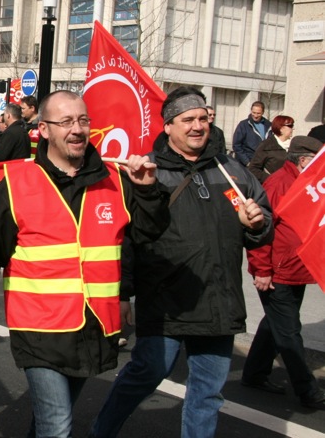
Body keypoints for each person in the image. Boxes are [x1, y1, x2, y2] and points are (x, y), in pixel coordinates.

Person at [0, 90, 169, 438]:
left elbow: (147, 233)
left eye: (83, 120)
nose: (77, 129)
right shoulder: (16, 185)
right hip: (39, 329)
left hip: (93, 326)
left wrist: (148, 190)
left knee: (50, 422)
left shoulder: (116, 180)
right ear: (44, 129)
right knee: (58, 426)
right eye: (65, 122)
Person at [91, 86, 272, 438]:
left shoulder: (233, 170)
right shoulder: (146, 172)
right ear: (168, 126)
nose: (198, 126)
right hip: (165, 303)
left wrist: (258, 223)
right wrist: (123, 293)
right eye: (188, 119)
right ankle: (102, 431)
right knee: (143, 376)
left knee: (207, 393)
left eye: (203, 118)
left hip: (220, 302)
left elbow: (262, 224)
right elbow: (126, 237)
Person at [241, 135, 325, 408]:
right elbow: (258, 231)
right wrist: (262, 270)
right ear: (304, 160)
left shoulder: (305, 183)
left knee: (276, 322)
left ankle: (254, 373)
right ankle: (308, 391)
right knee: (289, 330)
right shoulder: (279, 183)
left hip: (296, 269)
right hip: (277, 271)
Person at [248, 115, 294, 183]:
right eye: (290, 126)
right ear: (281, 128)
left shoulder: (294, 146)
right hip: (272, 186)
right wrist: (271, 179)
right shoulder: (266, 145)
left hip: (289, 186)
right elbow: (253, 168)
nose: (292, 129)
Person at [233, 100, 271, 165]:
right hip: (247, 162)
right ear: (251, 111)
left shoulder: (269, 125)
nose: (255, 115)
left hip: (262, 162)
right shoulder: (243, 125)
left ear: (263, 112)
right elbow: (237, 145)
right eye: (254, 112)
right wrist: (246, 162)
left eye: (258, 113)